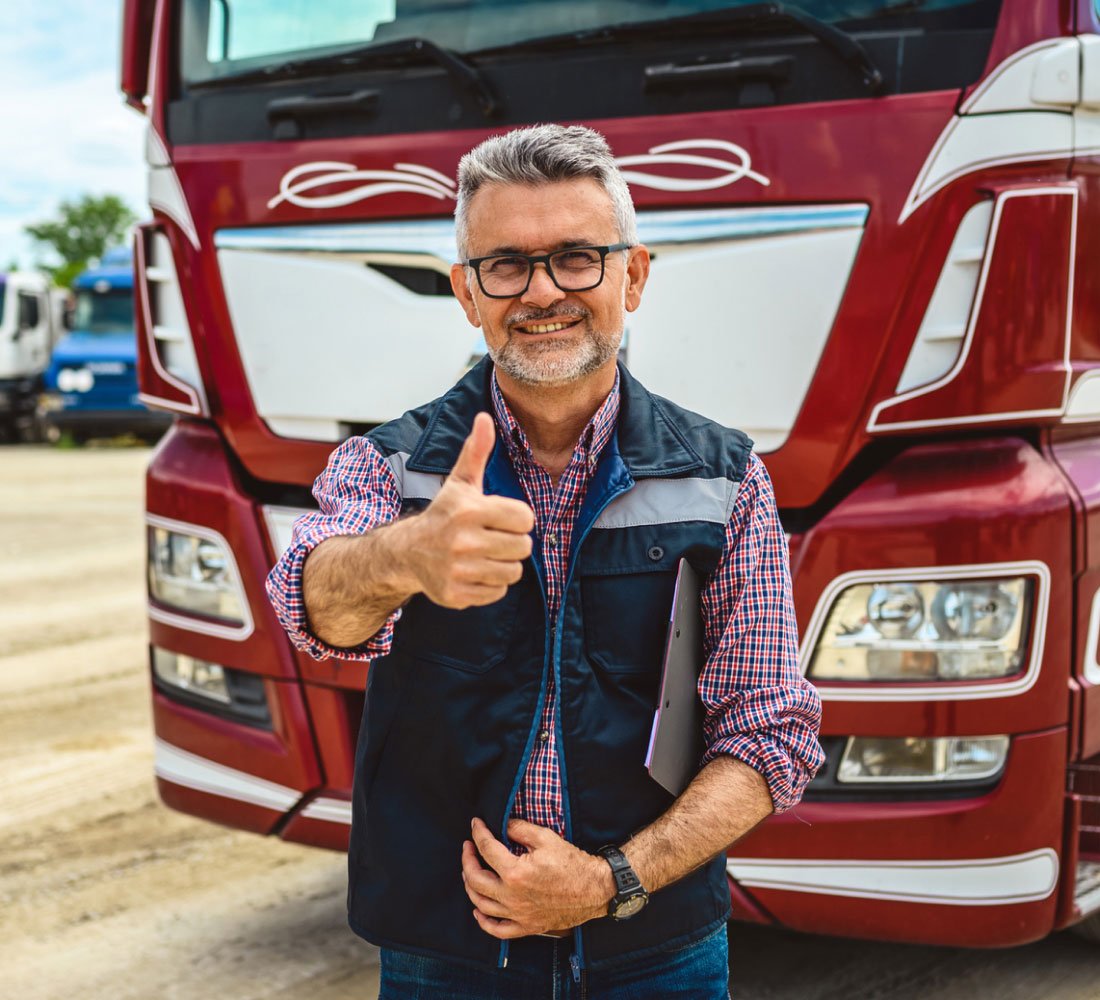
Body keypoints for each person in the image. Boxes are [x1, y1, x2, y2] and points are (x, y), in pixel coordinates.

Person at [266, 123, 824, 1000]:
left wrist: (612, 882)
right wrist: (403, 556)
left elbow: (771, 735)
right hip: (445, 955)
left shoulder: (725, 478)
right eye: (506, 266)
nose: (541, 292)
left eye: (576, 257)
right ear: (466, 292)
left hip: (657, 950)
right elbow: (313, 614)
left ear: (632, 276)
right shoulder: (386, 467)